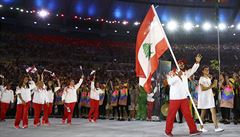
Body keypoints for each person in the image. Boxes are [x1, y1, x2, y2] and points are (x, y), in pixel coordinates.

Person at [165, 54, 202, 137]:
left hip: (184, 98)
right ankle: (168, 131)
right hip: (175, 98)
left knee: (188, 115)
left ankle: (193, 130)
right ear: (177, 64)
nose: (181, 64)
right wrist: (177, 76)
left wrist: (197, 62)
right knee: (171, 115)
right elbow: (169, 82)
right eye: (180, 63)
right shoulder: (172, 72)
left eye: (183, 63)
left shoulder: (185, 73)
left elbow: (193, 70)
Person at [198, 66, 224, 132]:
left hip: (209, 97)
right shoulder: (201, 78)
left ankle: (216, 127)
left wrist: (212, 92)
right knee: (203, 113)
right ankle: (201, 127)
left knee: (213, 111)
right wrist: (212, 85)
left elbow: (209, 88)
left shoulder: (208, 78)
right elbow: (202, 89)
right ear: (203, 71)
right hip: (204, 98)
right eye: (206, 70)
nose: (207, 71)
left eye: (208, 70)